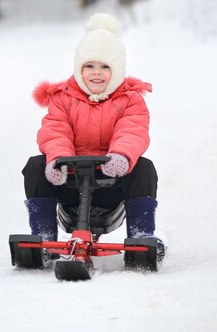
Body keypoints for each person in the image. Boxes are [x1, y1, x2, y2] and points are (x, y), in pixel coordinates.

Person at [22, 13, 164, 256]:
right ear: (79, 68)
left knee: (144, 168)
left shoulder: (130, 100)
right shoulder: (63, 98)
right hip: (69, 183)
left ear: (117, 70)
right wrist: (57, 161)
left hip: (112, 183)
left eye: (105, 67)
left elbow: (132, 131)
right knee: (35, 166)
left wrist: (120, 156)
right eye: (89, 66)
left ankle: (141, 235)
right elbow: (55, 131)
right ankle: (43, 237)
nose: (96, 73)